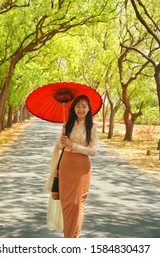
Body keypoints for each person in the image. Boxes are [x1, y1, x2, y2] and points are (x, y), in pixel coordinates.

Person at [58, 94, 97, 238]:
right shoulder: (67, 124)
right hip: (66, 165)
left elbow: (93, 151)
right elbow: (60, 148)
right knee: (67, 204)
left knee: (77, 204)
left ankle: (73, 238)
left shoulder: (91, 127)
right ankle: (69, 238)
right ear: (73, 108)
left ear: (88, 109)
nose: (80, 109)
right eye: (78, 106)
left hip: (81, 167)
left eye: (84, 106)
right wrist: (62, 143)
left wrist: (73, 145)